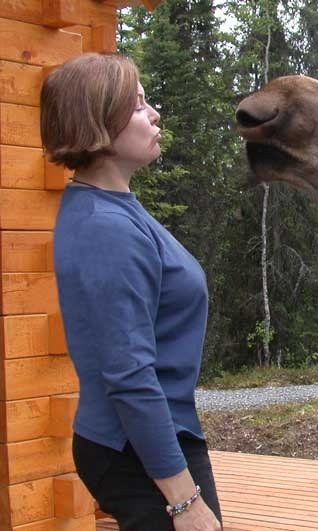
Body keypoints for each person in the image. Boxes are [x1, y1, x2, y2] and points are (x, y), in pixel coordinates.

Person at [41, 53, 222, 531]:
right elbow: (129, 375)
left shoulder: (113, 207)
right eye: (139, 105)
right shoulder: (107, 228)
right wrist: (184, 502)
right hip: (135, 450)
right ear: (99, 121)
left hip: (149, 438)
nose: (155, 113)